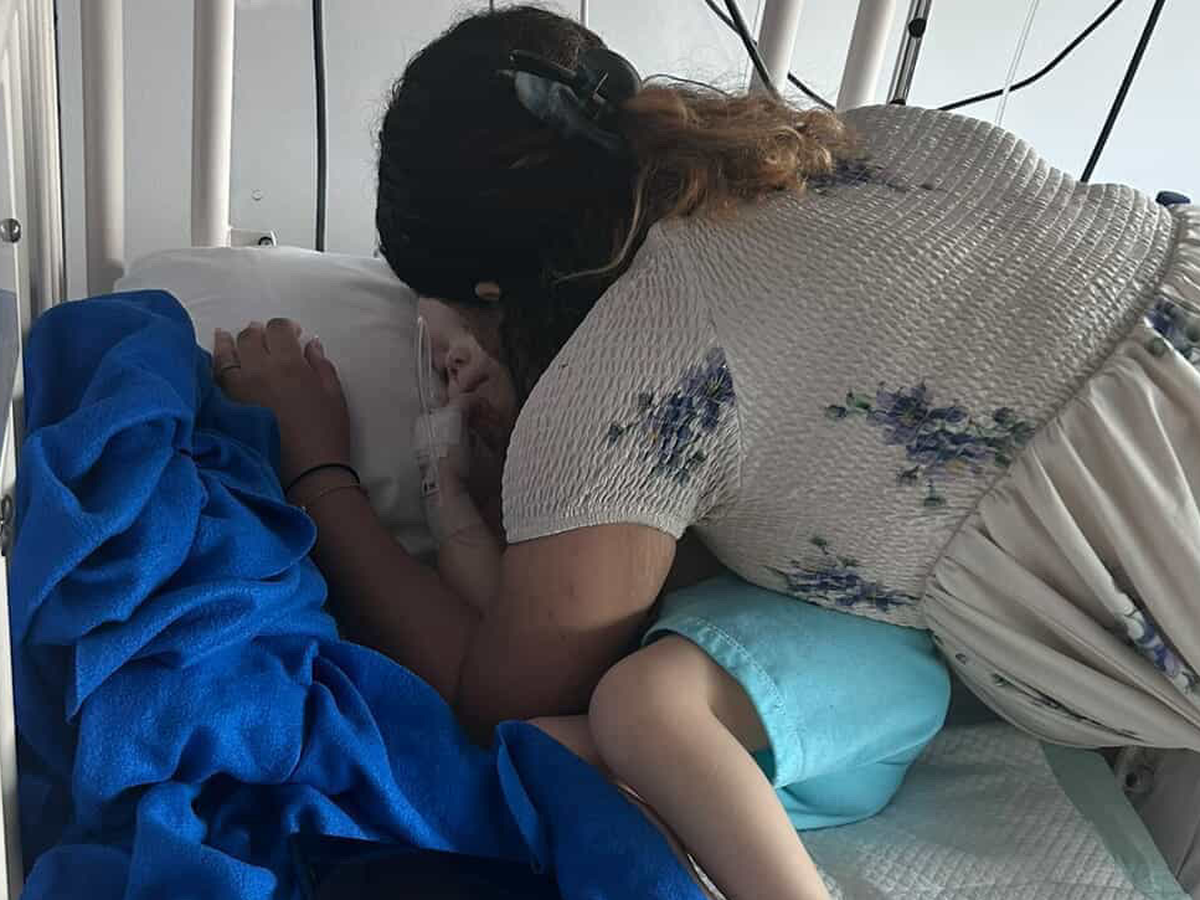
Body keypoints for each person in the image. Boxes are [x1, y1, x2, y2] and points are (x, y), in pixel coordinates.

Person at [212, 5, 1200, 899]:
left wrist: (317, 468)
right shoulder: (846, 142)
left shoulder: (623, 382)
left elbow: (495, 700)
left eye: (453, 328)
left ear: (495, 294)